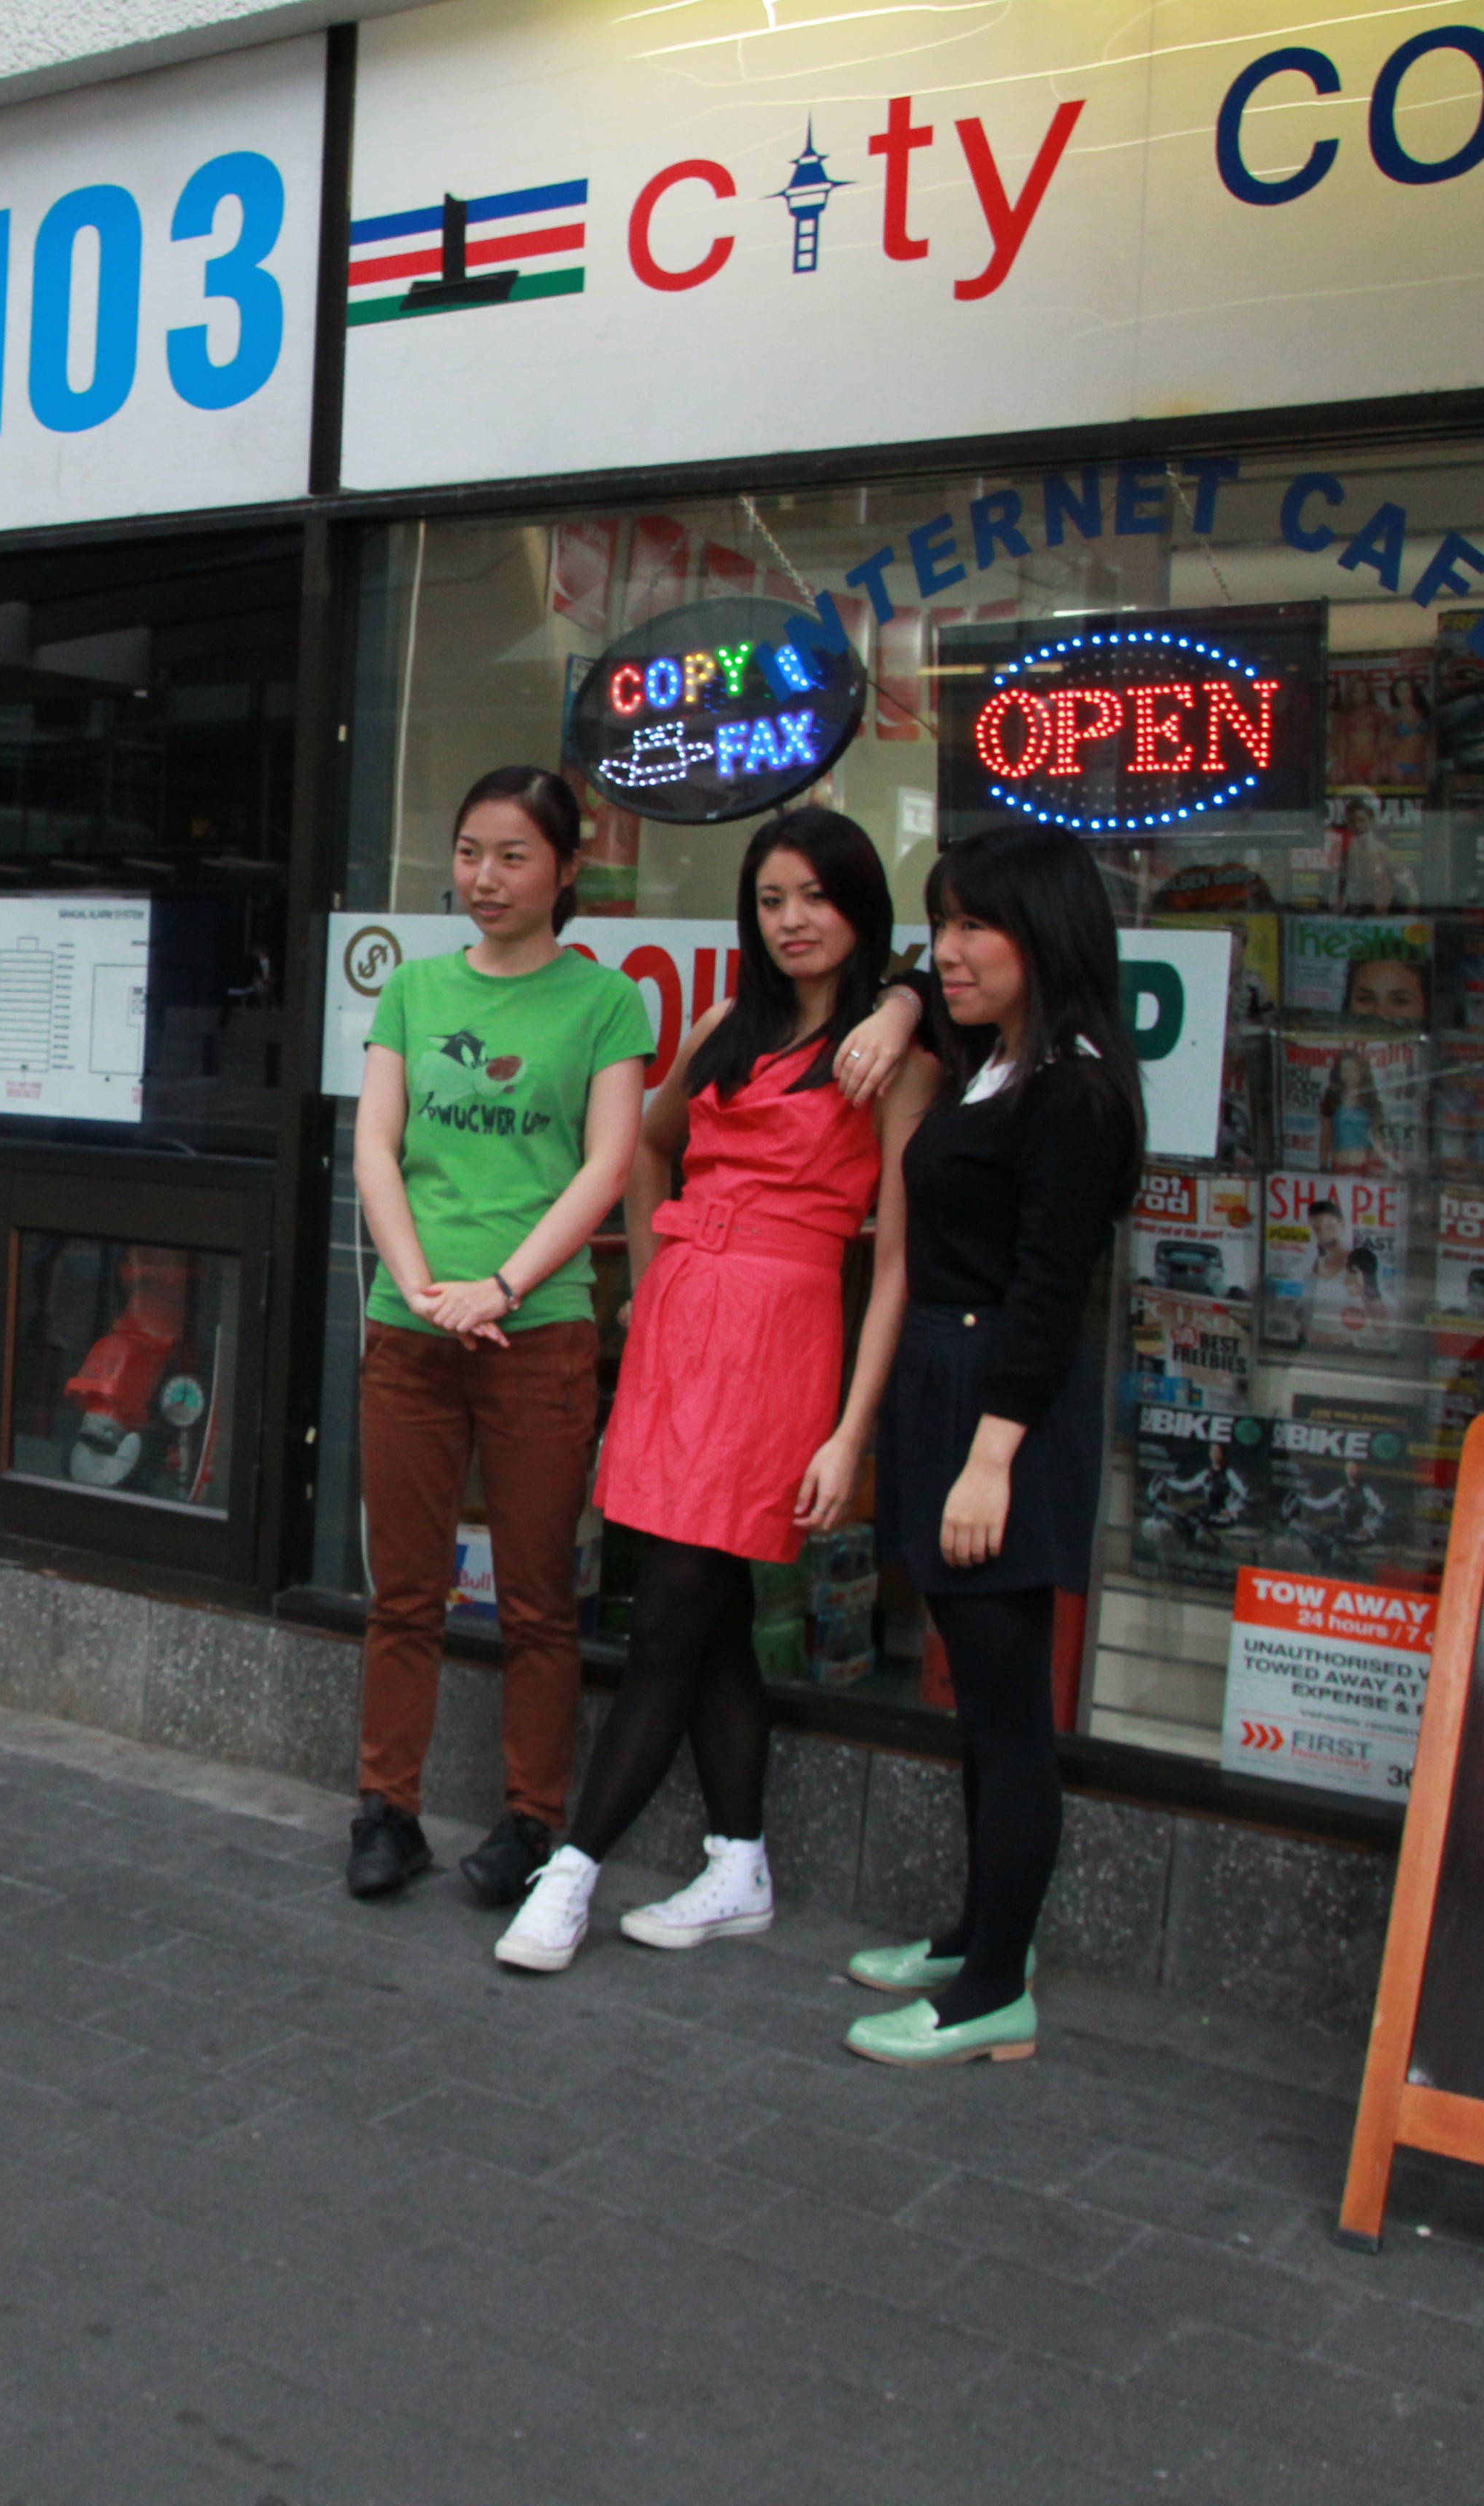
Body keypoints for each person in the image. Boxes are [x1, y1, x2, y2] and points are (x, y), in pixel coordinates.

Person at [497, 809, 936, 1970]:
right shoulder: (723, 1028)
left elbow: (894, 1265)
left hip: (782, 1338)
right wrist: (647, 1288)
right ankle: (739, 1858)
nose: (792, 921)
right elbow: (644, 1147)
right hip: (684, 1326)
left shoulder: (897, 1054)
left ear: (859, 910)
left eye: (817, 898)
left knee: (675, 1613)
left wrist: (852, 1428)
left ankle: (574, 1870)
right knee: (712, 1613)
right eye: (773, 899)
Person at [845, 822, 1141, 2067]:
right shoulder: (989, 1062)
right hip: (942, 1373)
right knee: (976, 1690)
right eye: (940, 923)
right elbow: (921, 985)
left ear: (1043, 937)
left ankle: (991, 1995)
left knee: (1010, 1706)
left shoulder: (1068, 1088)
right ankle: (980, 1936)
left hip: (997, 1395)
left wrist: (987, 1454)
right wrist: (910, 990)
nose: (946, 951)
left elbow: (1046, 1288)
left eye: (973, 927)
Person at [347, 768, 652, 1904]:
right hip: (411, 1330)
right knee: (405, 1594)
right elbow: (379, 1144)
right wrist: (421, 1281)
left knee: (535, 1600)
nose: (486, 877)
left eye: (514, 856)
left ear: (566, 869)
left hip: (540, 1336)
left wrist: (504, 1286)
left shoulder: (606, 1002)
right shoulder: (416, 994)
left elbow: (608, 1164)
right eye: (471, 852)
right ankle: (387, 1811)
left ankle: (532, 1823)